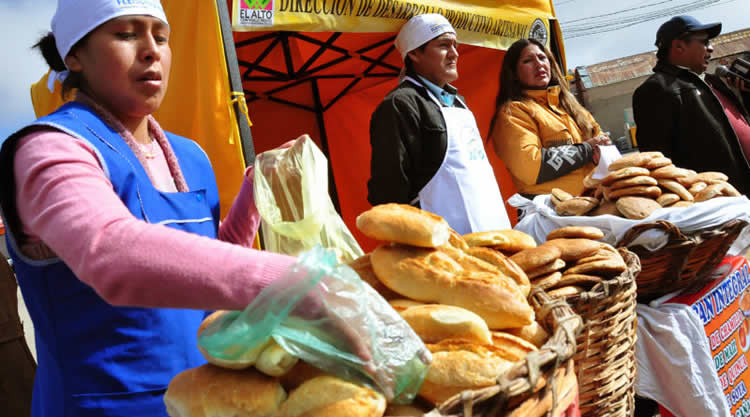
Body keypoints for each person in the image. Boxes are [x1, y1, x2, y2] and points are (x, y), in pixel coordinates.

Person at [0, 1, 381, 416]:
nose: (151, 51)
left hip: (204, 400)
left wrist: (254, 196)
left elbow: (203, 270)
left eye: (161, 38)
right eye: (126, 35)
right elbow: (109, 252)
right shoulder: (49, 149)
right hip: (101, 406)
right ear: (74, 54)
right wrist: (292, 284)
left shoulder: (190, 155)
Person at [367, 13, 511, 235]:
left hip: (494, 230)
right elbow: (389, 190)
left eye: (455, 45)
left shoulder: (458, 101)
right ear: (414, 53)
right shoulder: (400, 104)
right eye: (444, 45)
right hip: (445, 248)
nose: (454, 53)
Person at [632, 15, 750, 195]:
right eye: (704, 42)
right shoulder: (657, 90)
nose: (711, 48)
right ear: (679, 46)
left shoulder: (713, 81)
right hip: (723, 201)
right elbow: (658, 162)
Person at [489, 38, 611, 198]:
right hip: (550, 211)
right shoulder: (513, 112)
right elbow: (530, 166)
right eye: (528, 61)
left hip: (593, 201)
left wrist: (602, 148)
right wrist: (587, 150)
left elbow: (602, 141)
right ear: (514, 74)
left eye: (542, 57)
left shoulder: (571, 107)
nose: (539, 64)